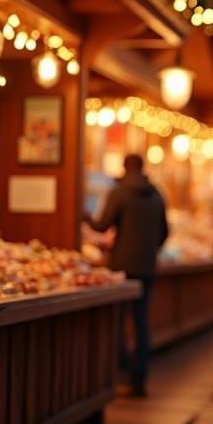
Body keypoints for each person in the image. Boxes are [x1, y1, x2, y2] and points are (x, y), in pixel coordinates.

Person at [83, 153, 168, 397]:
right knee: (142, 321)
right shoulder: (157, 195)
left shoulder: (119, 193)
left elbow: (102, 225)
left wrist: (85, 216)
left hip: (122, 265)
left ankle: (121, 372)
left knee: (118, 320)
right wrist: (148, 249)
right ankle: (139, 377)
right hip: (147, 266)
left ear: (124, 167)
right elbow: (164, 233)